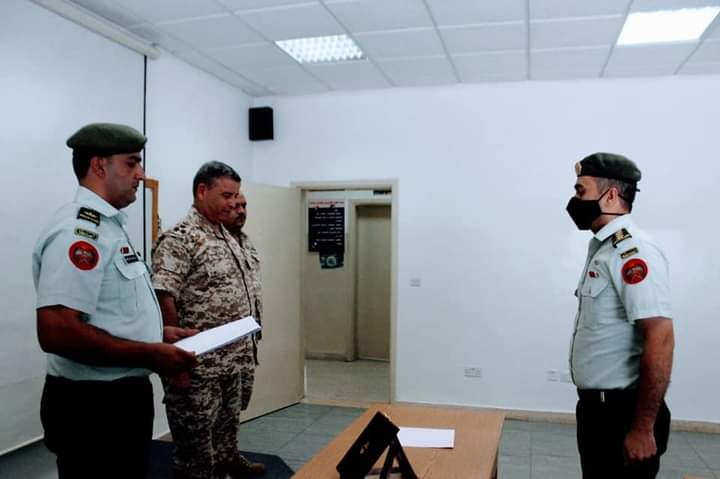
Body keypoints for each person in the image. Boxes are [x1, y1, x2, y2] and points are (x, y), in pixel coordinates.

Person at [32, 122, 197, 479]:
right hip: (92, 406)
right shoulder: (80, 233)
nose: (141, 174)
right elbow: (57, 331)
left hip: (118, 398)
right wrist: (150, 353)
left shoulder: (109, 227)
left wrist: (158, 335)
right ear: (99, 166)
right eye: (132, 163)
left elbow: (111, 312)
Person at [152, 162, 264, 479]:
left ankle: (229, 459)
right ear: (202, 191)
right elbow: (164, 296)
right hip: (198, 364)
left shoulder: (226, 235)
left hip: (232, 358)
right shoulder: (181, 239)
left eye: (236, 196)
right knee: (196, 447)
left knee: (228, 425)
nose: (233, 202)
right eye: (226, 195)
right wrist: (176, 363)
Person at [566, 152, 674, 478]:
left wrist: (643, 428)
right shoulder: (605, 248)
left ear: (611, 195)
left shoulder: (633, 252)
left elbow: (660, 337)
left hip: (623, 413)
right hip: (597, 409)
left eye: (581, 191)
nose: (574, 200)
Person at [224, 191, 263, 408]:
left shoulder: (246, 242)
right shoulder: (204, 241)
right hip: (214, 358)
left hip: (245, 347)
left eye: (244, 206)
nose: (241, 211)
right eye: (235, 206)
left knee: (236, 413)